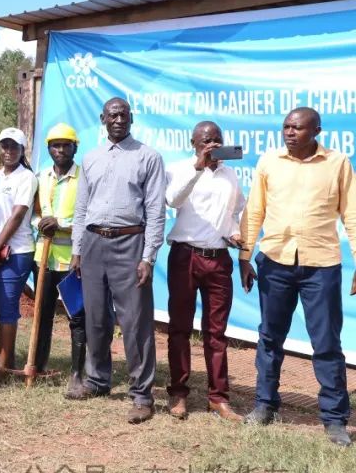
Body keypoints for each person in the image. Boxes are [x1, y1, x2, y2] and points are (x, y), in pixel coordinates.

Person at [240, 107, 356, 446]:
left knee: (326, 343)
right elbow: (254, 210)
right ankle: (265, 404)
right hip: (275, 262)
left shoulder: (337, 163)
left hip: (321, 266)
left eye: (298, 128)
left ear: (316, 131)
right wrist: (244, 256)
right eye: (286, 127)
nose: (290, 132)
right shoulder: (269, 161)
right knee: (270, 337)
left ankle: (334, 419)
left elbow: (352, 214)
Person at [69, 97, 165, 425]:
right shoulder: (91, 158)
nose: (119, 119)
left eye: (124, 114)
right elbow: (81, 208)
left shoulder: (148, 157)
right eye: (113, 115)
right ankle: (97, 380)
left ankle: (141, 395)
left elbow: (156, 211)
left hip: (130, 243)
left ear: (132, 118)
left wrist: (148, 256)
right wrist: (77, 250)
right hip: (94, 243)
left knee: (135, 323)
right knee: (96, 318)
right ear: (103, 119)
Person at [164, 121, 245, 422]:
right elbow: (172, 199)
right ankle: (178, 393)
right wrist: (198, 167)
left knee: (216, 332)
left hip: (218, 259)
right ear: (193, 144)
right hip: (185, 257)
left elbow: (236, 211)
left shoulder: (230, 174)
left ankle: (218, 398)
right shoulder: (179, 169)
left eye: (217, 140)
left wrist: (234, 232)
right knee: (180, 328)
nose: (212, 145)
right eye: (205, 141)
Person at [30, 123, 89, 397]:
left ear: (75, 148)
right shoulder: (41, 177)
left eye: (66, 145)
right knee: (42, 314)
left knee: (77, 316)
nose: (61, 150)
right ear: (49, 149)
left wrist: (61, 224)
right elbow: (34, 213)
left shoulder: (84, 178)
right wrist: (40, 222)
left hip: (72, 261)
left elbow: (89, 217)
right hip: (43, 258)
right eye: (56, 145)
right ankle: (38, 364)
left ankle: (77, 373)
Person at [0, 128, 37, 374]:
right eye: (5, 146)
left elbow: (17, 215)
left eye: (14, 146)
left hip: (16, 252)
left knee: (6, 304)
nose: (9, 151)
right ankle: (6, 359)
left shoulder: (26, 178)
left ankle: (5, 366)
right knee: (4, 305)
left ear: (22, 150)